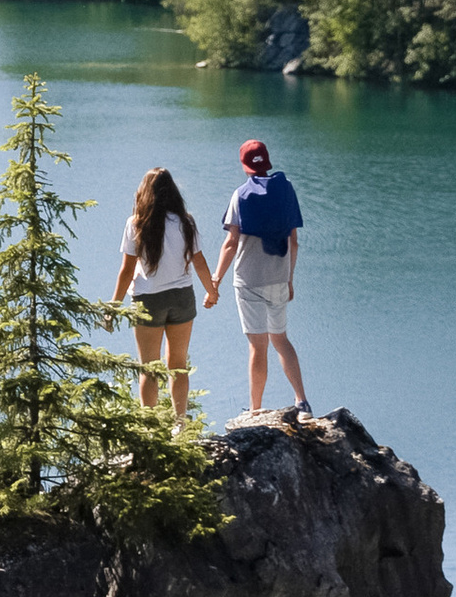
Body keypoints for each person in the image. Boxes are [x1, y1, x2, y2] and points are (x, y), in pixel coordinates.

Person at [109, 165, 218, 425]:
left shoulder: (135, 223)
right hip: (182, 297)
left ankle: (150, 428)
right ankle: (180, 424)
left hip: (148, 301)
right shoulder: (186, 222)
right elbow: (199, 262)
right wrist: (212, 292)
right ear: (173, 193)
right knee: (178, 366)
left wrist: (113, 307)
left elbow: (126, 271)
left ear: (145, 193)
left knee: (149, 368)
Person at [222, 135, 310, 418]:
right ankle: (302, 401)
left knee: (257, 347)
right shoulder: (287, 190)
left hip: (248, 281)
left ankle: (256, 410)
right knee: (281, 340)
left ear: (245, 166)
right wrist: (289, 279)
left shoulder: (240, 195)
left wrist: (214, 279)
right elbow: (293, 240)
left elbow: (230, 243)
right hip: (278, 278)